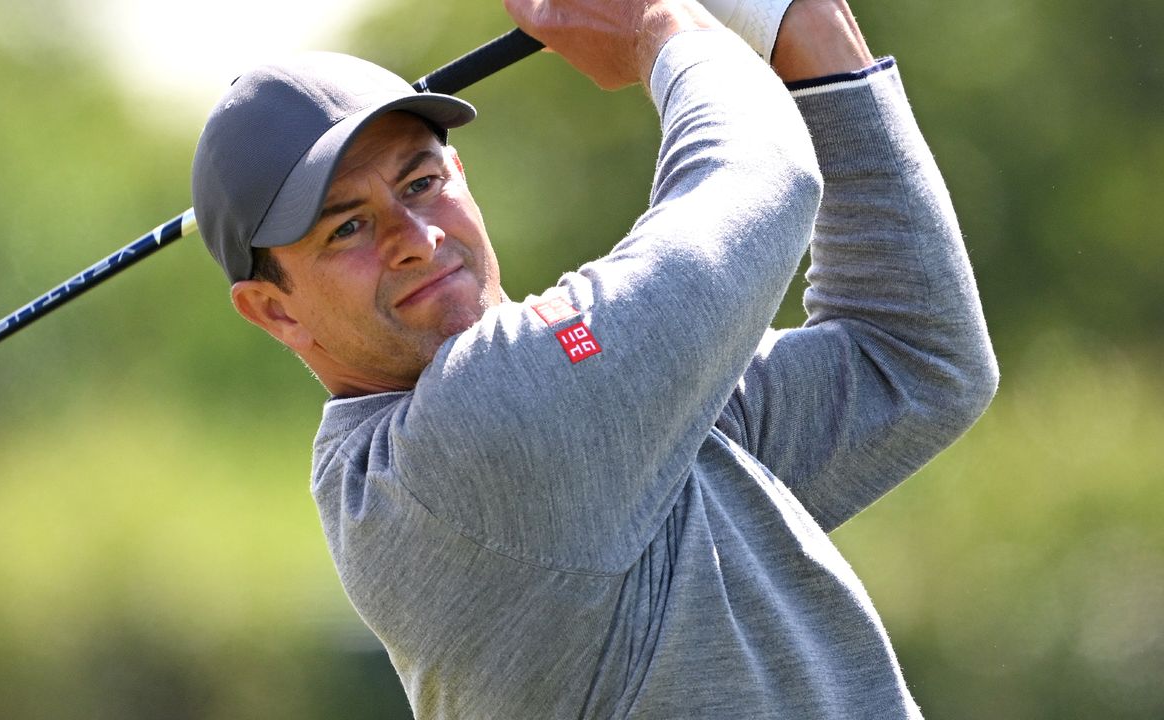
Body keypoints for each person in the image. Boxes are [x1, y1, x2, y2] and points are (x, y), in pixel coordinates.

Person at [190, 0, 998, 716]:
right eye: (348, 228)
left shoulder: (604, 421)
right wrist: (664, 27)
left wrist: (817, 34)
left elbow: (914, 358)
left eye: (422, 182)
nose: (419, 239)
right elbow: (761, 180)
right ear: (274, 309)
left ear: (463, 175)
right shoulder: (460, 450)